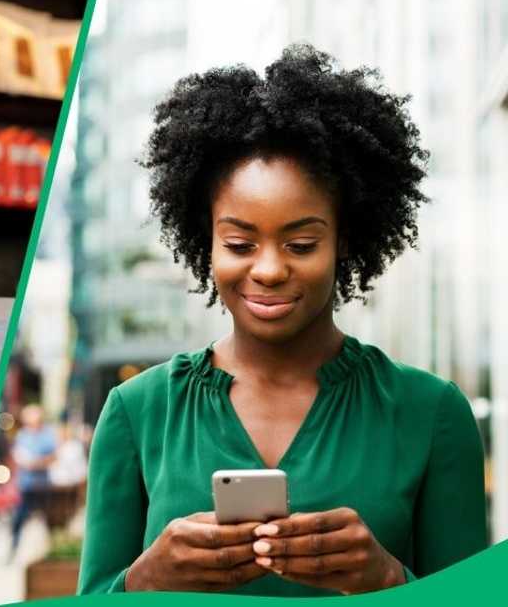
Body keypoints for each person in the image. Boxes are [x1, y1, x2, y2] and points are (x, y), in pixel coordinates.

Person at [77, 45, 488, 596]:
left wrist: (389, 580)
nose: (268, 270)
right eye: (240, 243)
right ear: (208, 243)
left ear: (344, 241)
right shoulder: (137, 412)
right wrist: (143, 582)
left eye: (301, 243)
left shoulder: (431, 414)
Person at [9, 403, 58, 558]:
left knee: (48, 519)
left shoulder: (48, 434)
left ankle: (51, 550)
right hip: (26, 484)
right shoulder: (22, 435)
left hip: (42, 484)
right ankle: (14, 548)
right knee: (18, 519)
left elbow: (53, 456)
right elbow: (17, 456)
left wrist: (36, 463)